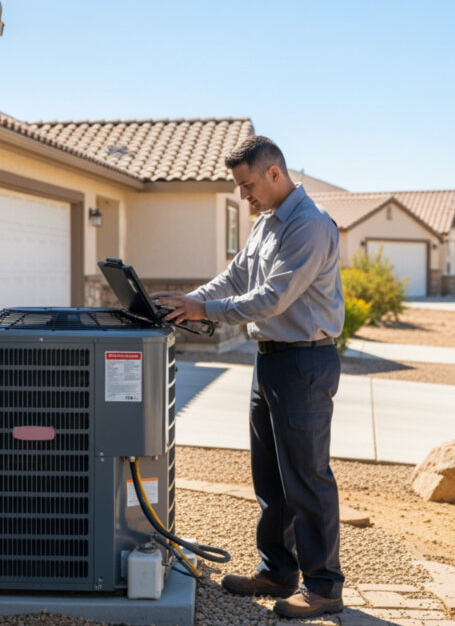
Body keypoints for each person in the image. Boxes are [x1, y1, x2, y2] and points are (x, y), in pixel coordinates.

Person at [153, 135, 345, 619]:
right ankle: (278, 570)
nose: (244, 195)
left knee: (307, 476)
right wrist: (188, 301)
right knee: (271, 476)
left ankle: (324, 587)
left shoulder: (310, 227)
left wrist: (206, 308)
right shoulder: (265, 225)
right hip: (272, 359)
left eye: (247, 185)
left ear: (274, 173)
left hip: (305, 361)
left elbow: (271, 299)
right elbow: (236, 279)